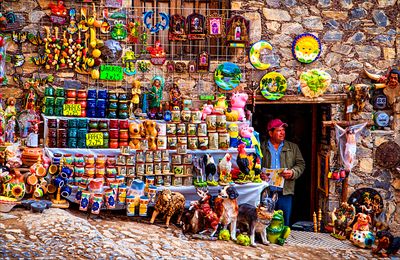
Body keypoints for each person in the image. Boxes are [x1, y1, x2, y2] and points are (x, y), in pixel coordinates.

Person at [261, 118, 305, 226]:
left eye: (283, 130)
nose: (282, 133)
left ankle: (282, 242)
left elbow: (301, 164)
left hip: (285, 192)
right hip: (266, 192)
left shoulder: (292, 148)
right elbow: (254, 164)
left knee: (283, 222)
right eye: (279, 130)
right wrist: (259, 174)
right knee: (264, 220)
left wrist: (293, 172)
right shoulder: (261, 147)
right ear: (270, 133)